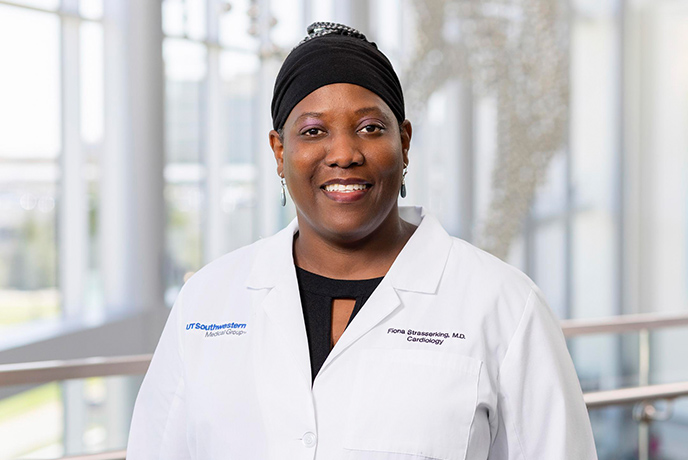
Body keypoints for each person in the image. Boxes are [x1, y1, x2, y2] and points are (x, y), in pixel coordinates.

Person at [127, 22, 598, 460]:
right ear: (279, 151)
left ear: (405, 143)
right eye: (313, 131)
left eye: (370, 128)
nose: (345, 154)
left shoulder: (505, 306)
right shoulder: (207, 302)